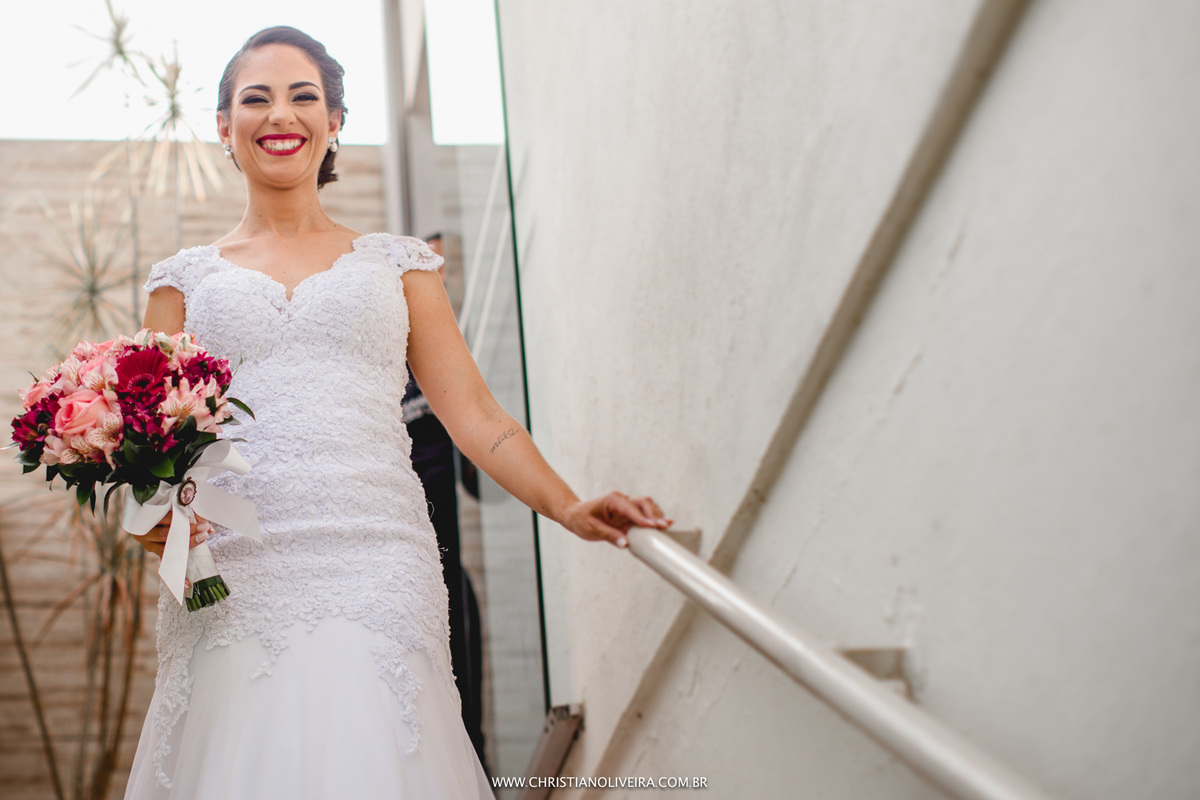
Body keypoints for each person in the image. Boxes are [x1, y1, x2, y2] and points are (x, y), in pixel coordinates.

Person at [124, 26, 670, 800]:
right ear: (223, 125)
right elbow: (150, 451)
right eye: (257, 98)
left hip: (376, 557)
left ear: (336, 121)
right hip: (235, 569)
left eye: (304, 96)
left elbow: (478, 417)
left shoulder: (398, 265)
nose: (282, 114)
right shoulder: (181, 283)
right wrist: (156, 520)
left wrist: (568, 504)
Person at [401, 232, 488, 773]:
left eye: (443, 278)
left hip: (446, 570)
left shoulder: (459, 370)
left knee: (461, 715)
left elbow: (483, 484)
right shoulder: (388, 373)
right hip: (391, 560)